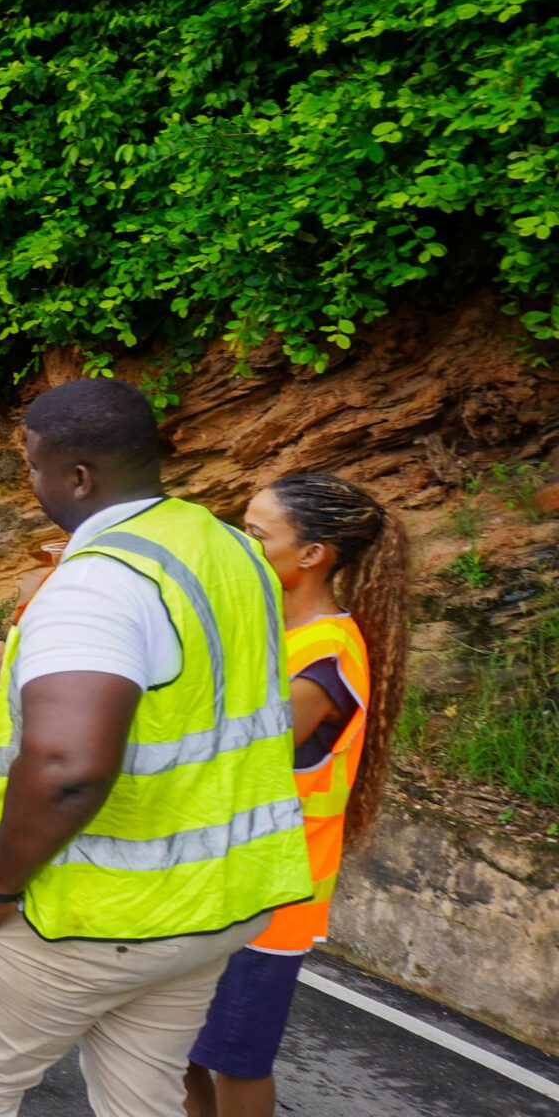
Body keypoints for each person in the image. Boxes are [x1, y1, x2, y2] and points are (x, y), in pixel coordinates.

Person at [0, 377, 312, 1117]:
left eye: (34, 465)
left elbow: (68, 767)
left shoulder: (102, 582)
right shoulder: (230, 549)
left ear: (77, 476)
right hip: (209, 904)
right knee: (143, 1097)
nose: (30, 482)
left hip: (86, 911)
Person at [184, 474, 409, 1117]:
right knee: (178, 1049)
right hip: (216, 879)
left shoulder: (328, 654)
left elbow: (245, 745)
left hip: (271, 896)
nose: (241, 544)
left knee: (236, 1061)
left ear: (311, 554)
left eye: (256, 535)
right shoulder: (272, 628)